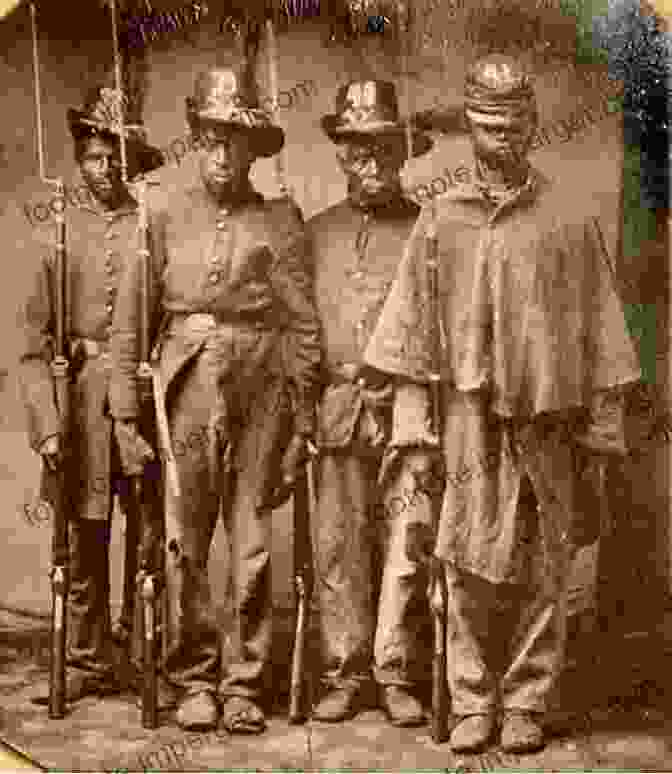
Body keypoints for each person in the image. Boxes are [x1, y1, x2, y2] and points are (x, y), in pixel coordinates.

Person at [363, 55, 642, 753]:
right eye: (486, 125)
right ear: (469, 129)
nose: (500, 139)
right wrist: (412, 422)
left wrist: (603, 425)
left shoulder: (569, 219)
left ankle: (526, 700)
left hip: (550, 417)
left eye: (513, 125)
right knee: (464, 557)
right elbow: (409, 329)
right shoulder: (440, 218)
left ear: (532, 127)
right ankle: (472, 699)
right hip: (467, 417)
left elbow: (604, 325)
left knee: (544, 562)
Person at [109, 65, 322, 733]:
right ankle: (194, 676)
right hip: (187, 387)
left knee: (253, 541)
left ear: (252, 148)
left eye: (234, 140)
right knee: (186, 540)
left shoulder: (280, 220)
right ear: (195, 136)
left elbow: (304, 325)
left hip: (263, 388)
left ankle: (245, 683)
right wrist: (124, 417)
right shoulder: (163, 214)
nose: (221, 153)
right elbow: (131, 324)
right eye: (210, 137)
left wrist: (303, 420)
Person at [18, 85, 164, 705]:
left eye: (116, 159)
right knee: (82, 536)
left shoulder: (152, 230)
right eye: (95, 157)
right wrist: (48, 425)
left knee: (146, 531)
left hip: (139, 402)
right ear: (79, 158)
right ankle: (84, 656)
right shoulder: (57, 234)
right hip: (78, 403)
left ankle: (141, 649)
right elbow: (32, 341)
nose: (106, 170)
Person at [307, 80, 435, 726]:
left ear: (401, 154)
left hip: (406, 411)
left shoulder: (426, 231)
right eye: (359, 152)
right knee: (338, 547)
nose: (372, 164)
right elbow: (296, 332)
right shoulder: (317, 233)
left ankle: (397, 673)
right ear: (341, 156)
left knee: (407, 543)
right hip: (335, 409)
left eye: (384, 150)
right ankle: (343, 672)